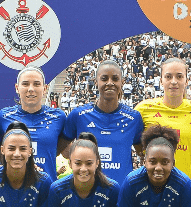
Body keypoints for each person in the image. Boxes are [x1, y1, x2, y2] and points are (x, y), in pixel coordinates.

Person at [60, 60, 143, 188]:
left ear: (122, 82)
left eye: (115, 79)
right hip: (87, 193)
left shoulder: (134, 118)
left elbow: (142, 152)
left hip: (121, 194)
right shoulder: (78, 115)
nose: (110, 83)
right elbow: (61, 145)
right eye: (104, 79)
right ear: (96, 81)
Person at [134, 57, 191, 183]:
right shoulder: (143, 109)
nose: (174, 81)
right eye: (168, 77)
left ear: (186, 80)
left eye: (179, 76)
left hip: (185, 187)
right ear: (161, 80)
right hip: (152, 187)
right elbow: (137, 143)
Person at [0, 67, 68, 181]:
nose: (31, 89)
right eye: (25, 84)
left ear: (45, 88)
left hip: (47, 190)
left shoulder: (59, 117)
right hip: (14, 188)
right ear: (17, 88)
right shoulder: (4, 116)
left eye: (36, 84)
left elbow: (63, 147)